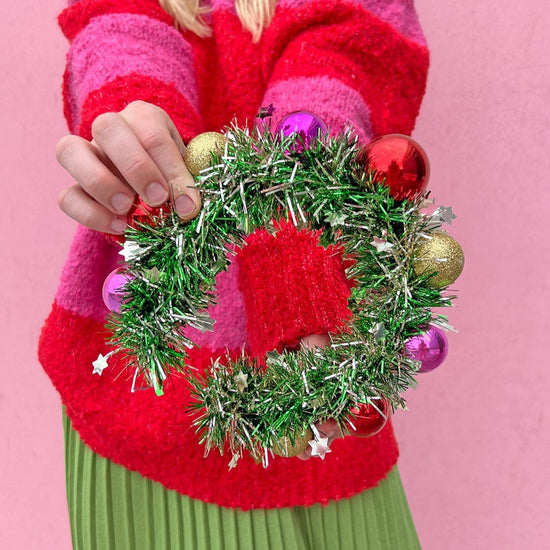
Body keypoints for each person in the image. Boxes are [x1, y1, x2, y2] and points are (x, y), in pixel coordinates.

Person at [39, 0, 430, 548]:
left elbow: (339, 65)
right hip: (134, 391)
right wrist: (135, 133)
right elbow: (120, 38)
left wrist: (295, 273)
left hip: (305, 370)